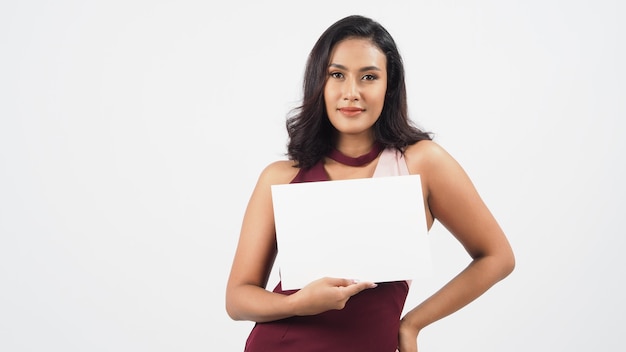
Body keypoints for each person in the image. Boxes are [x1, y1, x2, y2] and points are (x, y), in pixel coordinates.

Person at [225, 14, 515, 352]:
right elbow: (238, 298)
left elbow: (497, 257)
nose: (351, 92)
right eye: (337, 75)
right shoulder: (281, 176)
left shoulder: (422, 163)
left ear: (388, 86)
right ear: (319, 83)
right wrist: (297, 304)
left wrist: (412, 324)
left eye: (368, 77)